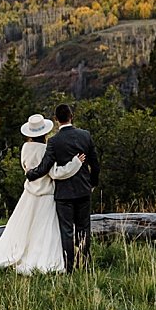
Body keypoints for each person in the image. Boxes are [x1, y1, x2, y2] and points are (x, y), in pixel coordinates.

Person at [0, 114, 83, 275]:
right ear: (45, 132)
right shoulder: (46, 150)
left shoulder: (25, 148)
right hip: (46, 196)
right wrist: (75, 164)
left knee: (24, 229)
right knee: (43, 231)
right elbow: (55, 173)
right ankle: (40, 259)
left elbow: (26, 168)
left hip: (29, 195)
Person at [26, 102, 99, 271]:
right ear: (71, 116)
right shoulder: (85, 135)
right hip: (83, 189)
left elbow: (44, 167)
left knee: (66, 230)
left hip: (64, 194)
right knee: (83, 228)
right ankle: (85, 264)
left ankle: (69, 266)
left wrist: (30, 174)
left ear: (56, 119)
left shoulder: (54, 141)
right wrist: (93, 183)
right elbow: (95, 165)